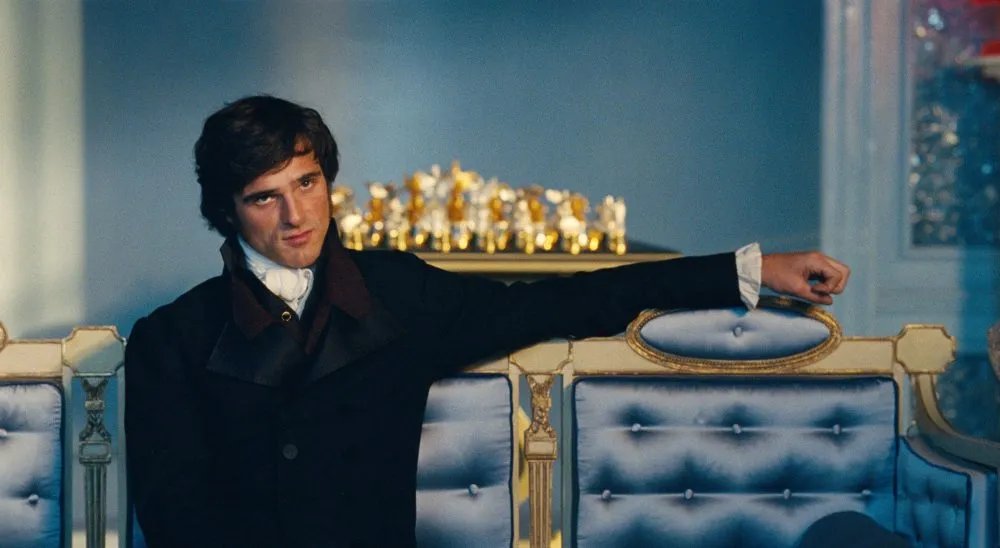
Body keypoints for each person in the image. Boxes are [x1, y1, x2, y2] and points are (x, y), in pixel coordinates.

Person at [124, 95, 853, 547]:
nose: (296, 214)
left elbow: (562, 300)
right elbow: (174, 521)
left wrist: (748, 270)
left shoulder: (395, 293)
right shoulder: (172, 338)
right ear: (226, 210)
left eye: (308, 182)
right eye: (265, 196)